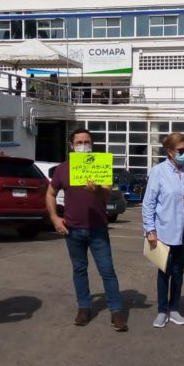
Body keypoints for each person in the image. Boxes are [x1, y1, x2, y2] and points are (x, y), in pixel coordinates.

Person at [46, 128, 128, 331]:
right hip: (72, 229)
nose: (84, 145)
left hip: (98, 229)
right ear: (72, 146)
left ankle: (116, 311)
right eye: (79, 142)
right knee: (79, 270)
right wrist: (55, 218)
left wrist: (98, 189)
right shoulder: (63, 169)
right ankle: (84, 307)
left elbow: (107, 195)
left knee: (107, 271)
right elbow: (50, 194)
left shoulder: (100, 166)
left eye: (87, 142)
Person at [142, 132, 184, 328]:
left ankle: (174, 309)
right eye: (181, 150)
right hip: (163, 232)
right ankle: (161, 310)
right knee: (163, 272)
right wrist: (150, 230)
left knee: (179, 272)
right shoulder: (159, 171)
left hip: (182, 233)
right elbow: (148, 203)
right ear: (170, 152)